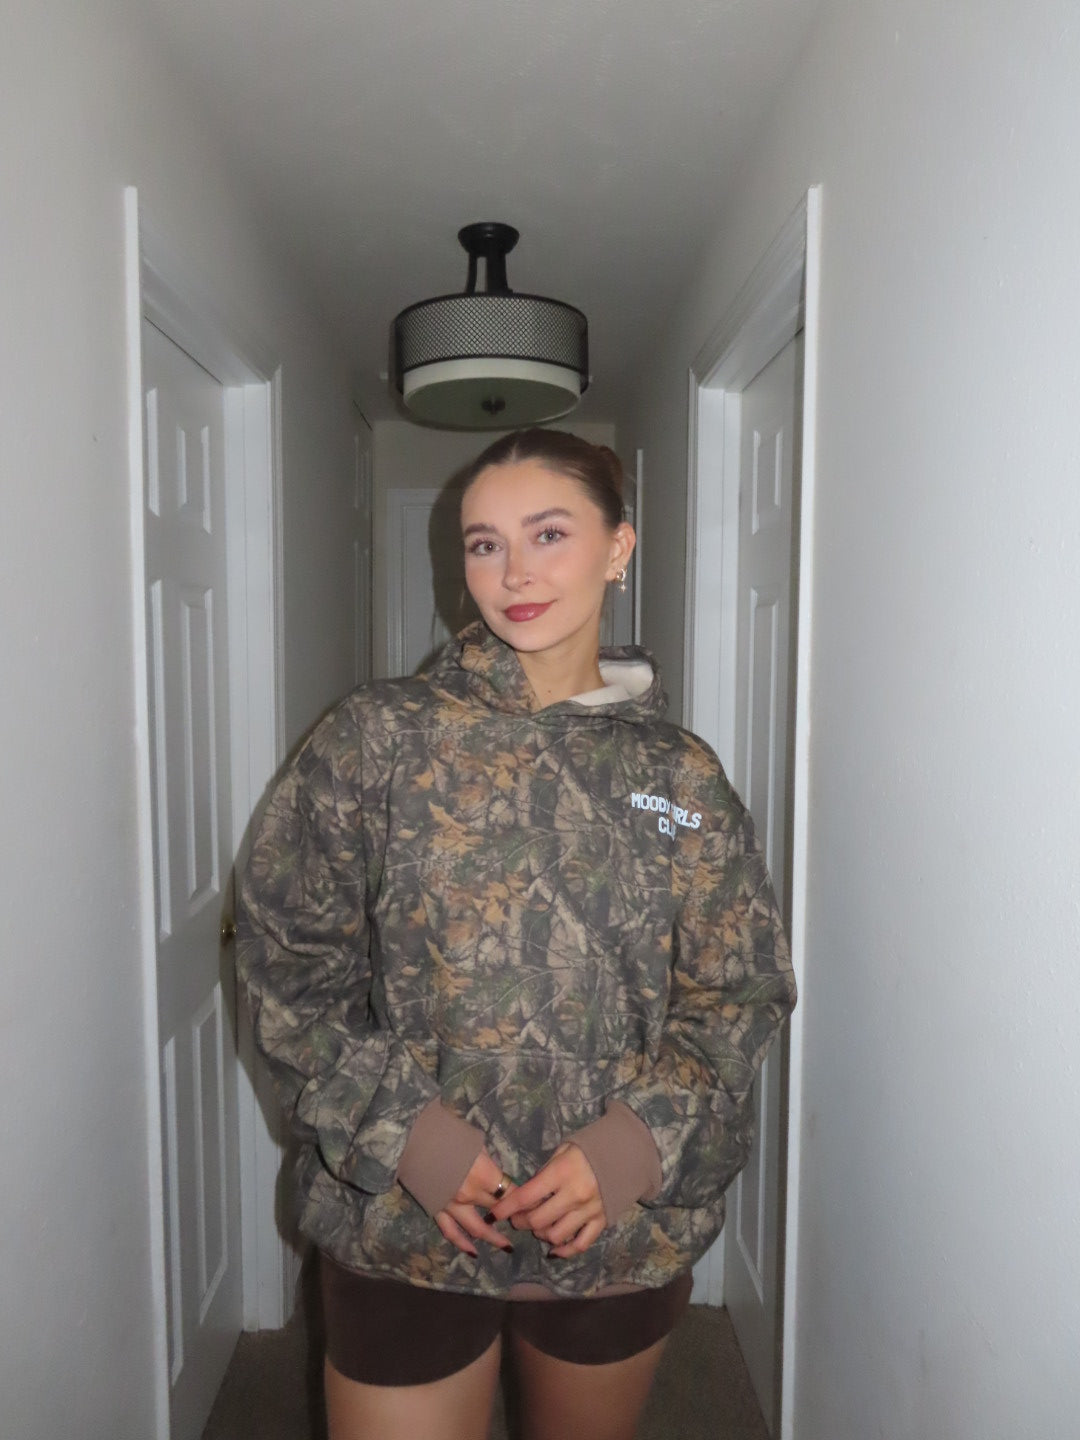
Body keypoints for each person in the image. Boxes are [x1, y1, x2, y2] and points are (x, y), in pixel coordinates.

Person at [237, 428, 796, 1440]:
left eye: (548, 534)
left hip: (615, 1234)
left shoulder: (682, 776)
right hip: (402, 1222)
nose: (514, 573)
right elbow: (287, 964)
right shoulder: (377, 738)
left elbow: (740, 991)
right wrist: (406, 1135)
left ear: (619, 546)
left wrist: (634, 1146)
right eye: (484, 544)